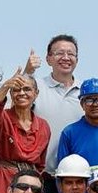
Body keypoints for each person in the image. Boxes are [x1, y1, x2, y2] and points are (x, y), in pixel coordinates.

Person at [0, 69, 51, 193]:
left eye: (27, 89)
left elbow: (40, 165)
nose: (21, 93)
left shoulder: (43, 126)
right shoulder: (3, 117)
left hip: (30, 186)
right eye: (16, 89)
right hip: (3, 184)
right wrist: (6, 85)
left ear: (36, 93)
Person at [33, 35, 83, 173]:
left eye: (71, 54)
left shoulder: (86, 92)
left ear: (77, 60)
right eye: (60, 53)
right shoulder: (36, 87)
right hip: (41, 174)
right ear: (48, 59)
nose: (66, 57)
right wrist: (27, 73)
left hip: (76, 175)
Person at [56, 78, 98, 168]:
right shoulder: (69, 133)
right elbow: (61, 170)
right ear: (82, 104)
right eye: (89, 100)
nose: (95, 104)